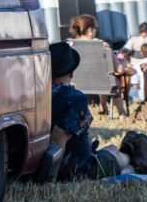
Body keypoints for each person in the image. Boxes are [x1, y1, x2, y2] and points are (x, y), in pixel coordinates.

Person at [48, 42, 135, 181]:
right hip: (76, 169)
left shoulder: (38, 94)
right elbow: (57, 140)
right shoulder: (73, 98)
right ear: (71, 72)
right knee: (125, 153)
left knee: (113, 150)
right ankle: (134, 166)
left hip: (67, 162)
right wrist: (49, 180)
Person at [68, 14, 112, 114]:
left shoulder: (70, 45)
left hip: (76, 81)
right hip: (100, 82)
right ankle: (104, 105)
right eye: (95, 28)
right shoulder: (102, 45)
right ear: (90, 30)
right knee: (108, 76)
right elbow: (116, 67)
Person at [112, 48, 135, 118]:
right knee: (118, 84)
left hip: (99, 89)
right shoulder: (112, 56)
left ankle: (103, 106)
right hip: (115, 89)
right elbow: (130, 71)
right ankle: (122, 112)